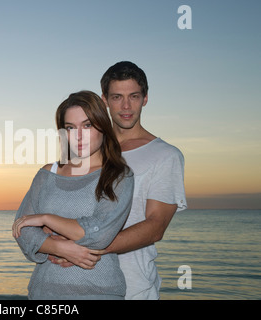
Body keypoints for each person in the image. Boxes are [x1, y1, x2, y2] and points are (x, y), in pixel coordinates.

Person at [47, 61, 188, 299]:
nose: (125, 106)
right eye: (116, 97)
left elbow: (155, 227)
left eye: (133, 96)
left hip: (132, 286)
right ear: (104, 100)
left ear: (145, 98)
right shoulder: (82, 148)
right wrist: (53, 244)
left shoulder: (165, 155)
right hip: (70, 284)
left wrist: (84, 247)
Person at [12, 90, 134, 300]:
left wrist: (46, 219)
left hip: (98, 292)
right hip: (44, 293)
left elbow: (99, 233)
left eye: (87, 125)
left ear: (103, 126)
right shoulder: (47, 174)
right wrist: (62, 248)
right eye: (70, 127)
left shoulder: (118, 175)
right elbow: (22, 229)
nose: (78, 136)